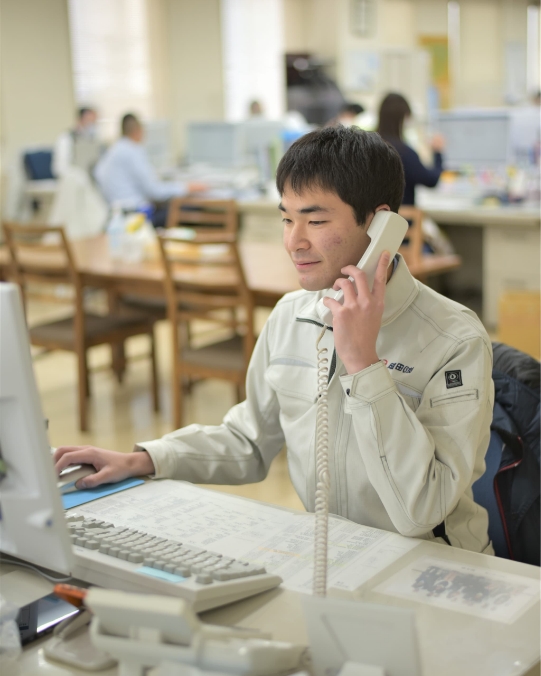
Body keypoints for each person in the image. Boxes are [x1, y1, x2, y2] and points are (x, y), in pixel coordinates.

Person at [55, 126, 494, 555]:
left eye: (316, 220)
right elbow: (248, 440)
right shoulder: (292, 316)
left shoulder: (455, 339)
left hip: (437, 566)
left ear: (381, 224)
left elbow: (422, 510)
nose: (294, 242)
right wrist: (145, 459)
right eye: (286, 219)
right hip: (336, 557)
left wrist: (363, 363)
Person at [94, 113, 206, 228]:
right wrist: (186, 187)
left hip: (118, 215)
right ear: (138, 130)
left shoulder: (113, 150)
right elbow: (154, 191)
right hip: (137, 217)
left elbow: (98, 175)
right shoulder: (133, 150)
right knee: (190, 208)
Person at [377, 92, 445, 206]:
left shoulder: (367, 147)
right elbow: (431, 180)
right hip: (401, 220)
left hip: (372, 221)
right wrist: (438, 153)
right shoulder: (404, 153)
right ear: (402, 118)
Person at [53, 107, 102, 179]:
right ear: (80, 119)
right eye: (90, 120)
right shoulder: (66, 138)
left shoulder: (95, 139)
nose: (93, 124)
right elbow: (61, 167)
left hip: (91, 179)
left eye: (94, 121)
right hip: (73, 180)